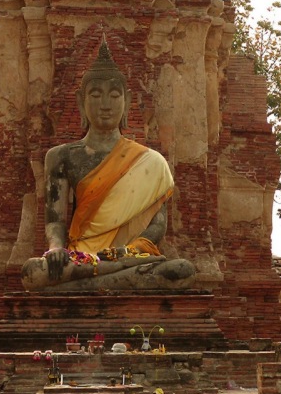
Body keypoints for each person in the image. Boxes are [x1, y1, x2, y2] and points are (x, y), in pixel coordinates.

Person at [22, 40, 195, 291]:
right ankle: (114, 278)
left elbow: (158, 226)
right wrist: (56, 249)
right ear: (81, 100)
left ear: (127, 100)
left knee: (181, 271)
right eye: (95, 94)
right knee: (33, 272)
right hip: (81, 257)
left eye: (114, 95)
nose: (105, 104)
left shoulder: (152, 162)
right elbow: (55, 221)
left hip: (129, 257)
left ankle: (78, 286)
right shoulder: (60, 156)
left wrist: (126, 253)